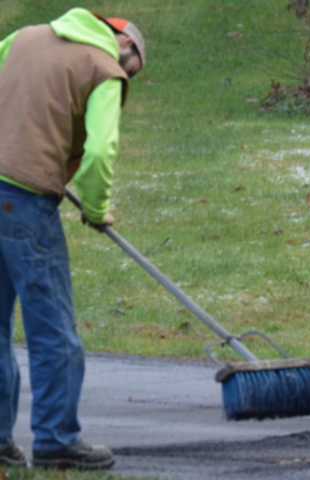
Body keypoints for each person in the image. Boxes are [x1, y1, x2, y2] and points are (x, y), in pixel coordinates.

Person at [0, 7, 145, 469]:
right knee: (54, 332)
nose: (128, 77)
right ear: (124, 44)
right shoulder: (104, 68)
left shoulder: (22, 37)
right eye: (133, 68)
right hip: (23, 203)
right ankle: (56, 439)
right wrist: (97, 208)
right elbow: (101, 150)